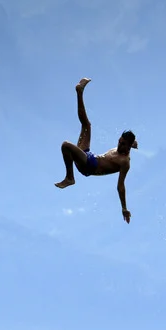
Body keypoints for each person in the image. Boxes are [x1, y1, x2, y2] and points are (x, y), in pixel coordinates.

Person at [54, 78, 138, 223]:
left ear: (128, 146)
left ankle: (70, 178)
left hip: (88, 166)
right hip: (88, 156)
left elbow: (121, 186)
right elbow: (133, 141)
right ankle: (79, 92)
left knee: (66, 145)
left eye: (123, 144)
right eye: (119, 141)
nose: (119, 144)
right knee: (86, 124)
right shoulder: (126, 145)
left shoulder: (124, 162)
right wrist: (134, 143)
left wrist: (124, 208)